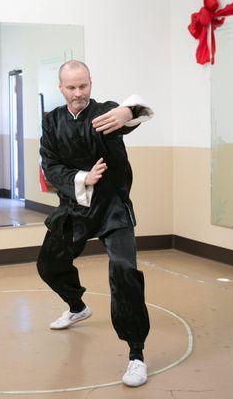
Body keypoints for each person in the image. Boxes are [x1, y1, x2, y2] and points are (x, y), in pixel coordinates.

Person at [37, 60, 154, 387]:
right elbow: (50, 166)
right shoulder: (51, 122)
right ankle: (77, 306)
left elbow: (141, 110)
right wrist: (82, 178)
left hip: (112, 208)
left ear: (90, 84)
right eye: (71, 87)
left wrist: (127, 113)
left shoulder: (107, 114)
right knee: (48, 264)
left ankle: (136, 354)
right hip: (74, 207)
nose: (78, 93)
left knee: (124, 272)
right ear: (60, 88)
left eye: (83, 86)